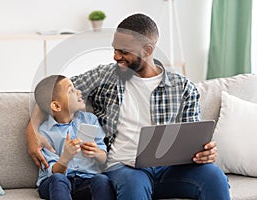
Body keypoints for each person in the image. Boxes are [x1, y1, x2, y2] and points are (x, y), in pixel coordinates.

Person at [27, 13, 231, 200]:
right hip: (123, 168)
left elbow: (192, 139)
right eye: (114, 49)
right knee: (133, 187)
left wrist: (204, 153)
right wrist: (32, 131)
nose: (116, 56)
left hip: (171, 170)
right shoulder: (105, 76)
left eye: (123, 51)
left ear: (148, 50)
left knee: (214, 176)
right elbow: (54, 93)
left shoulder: (183, 87)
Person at [33, 75, 114, 200]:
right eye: (71, 90)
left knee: (101, 180)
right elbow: (54, 172)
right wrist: (66, 157)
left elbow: (104, 158)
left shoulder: (90, 119)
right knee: (58, 179)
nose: (79, 92)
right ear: (56, 106)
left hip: (86, 179)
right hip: (54, 182)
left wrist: (96, 152)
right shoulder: (44, 132)